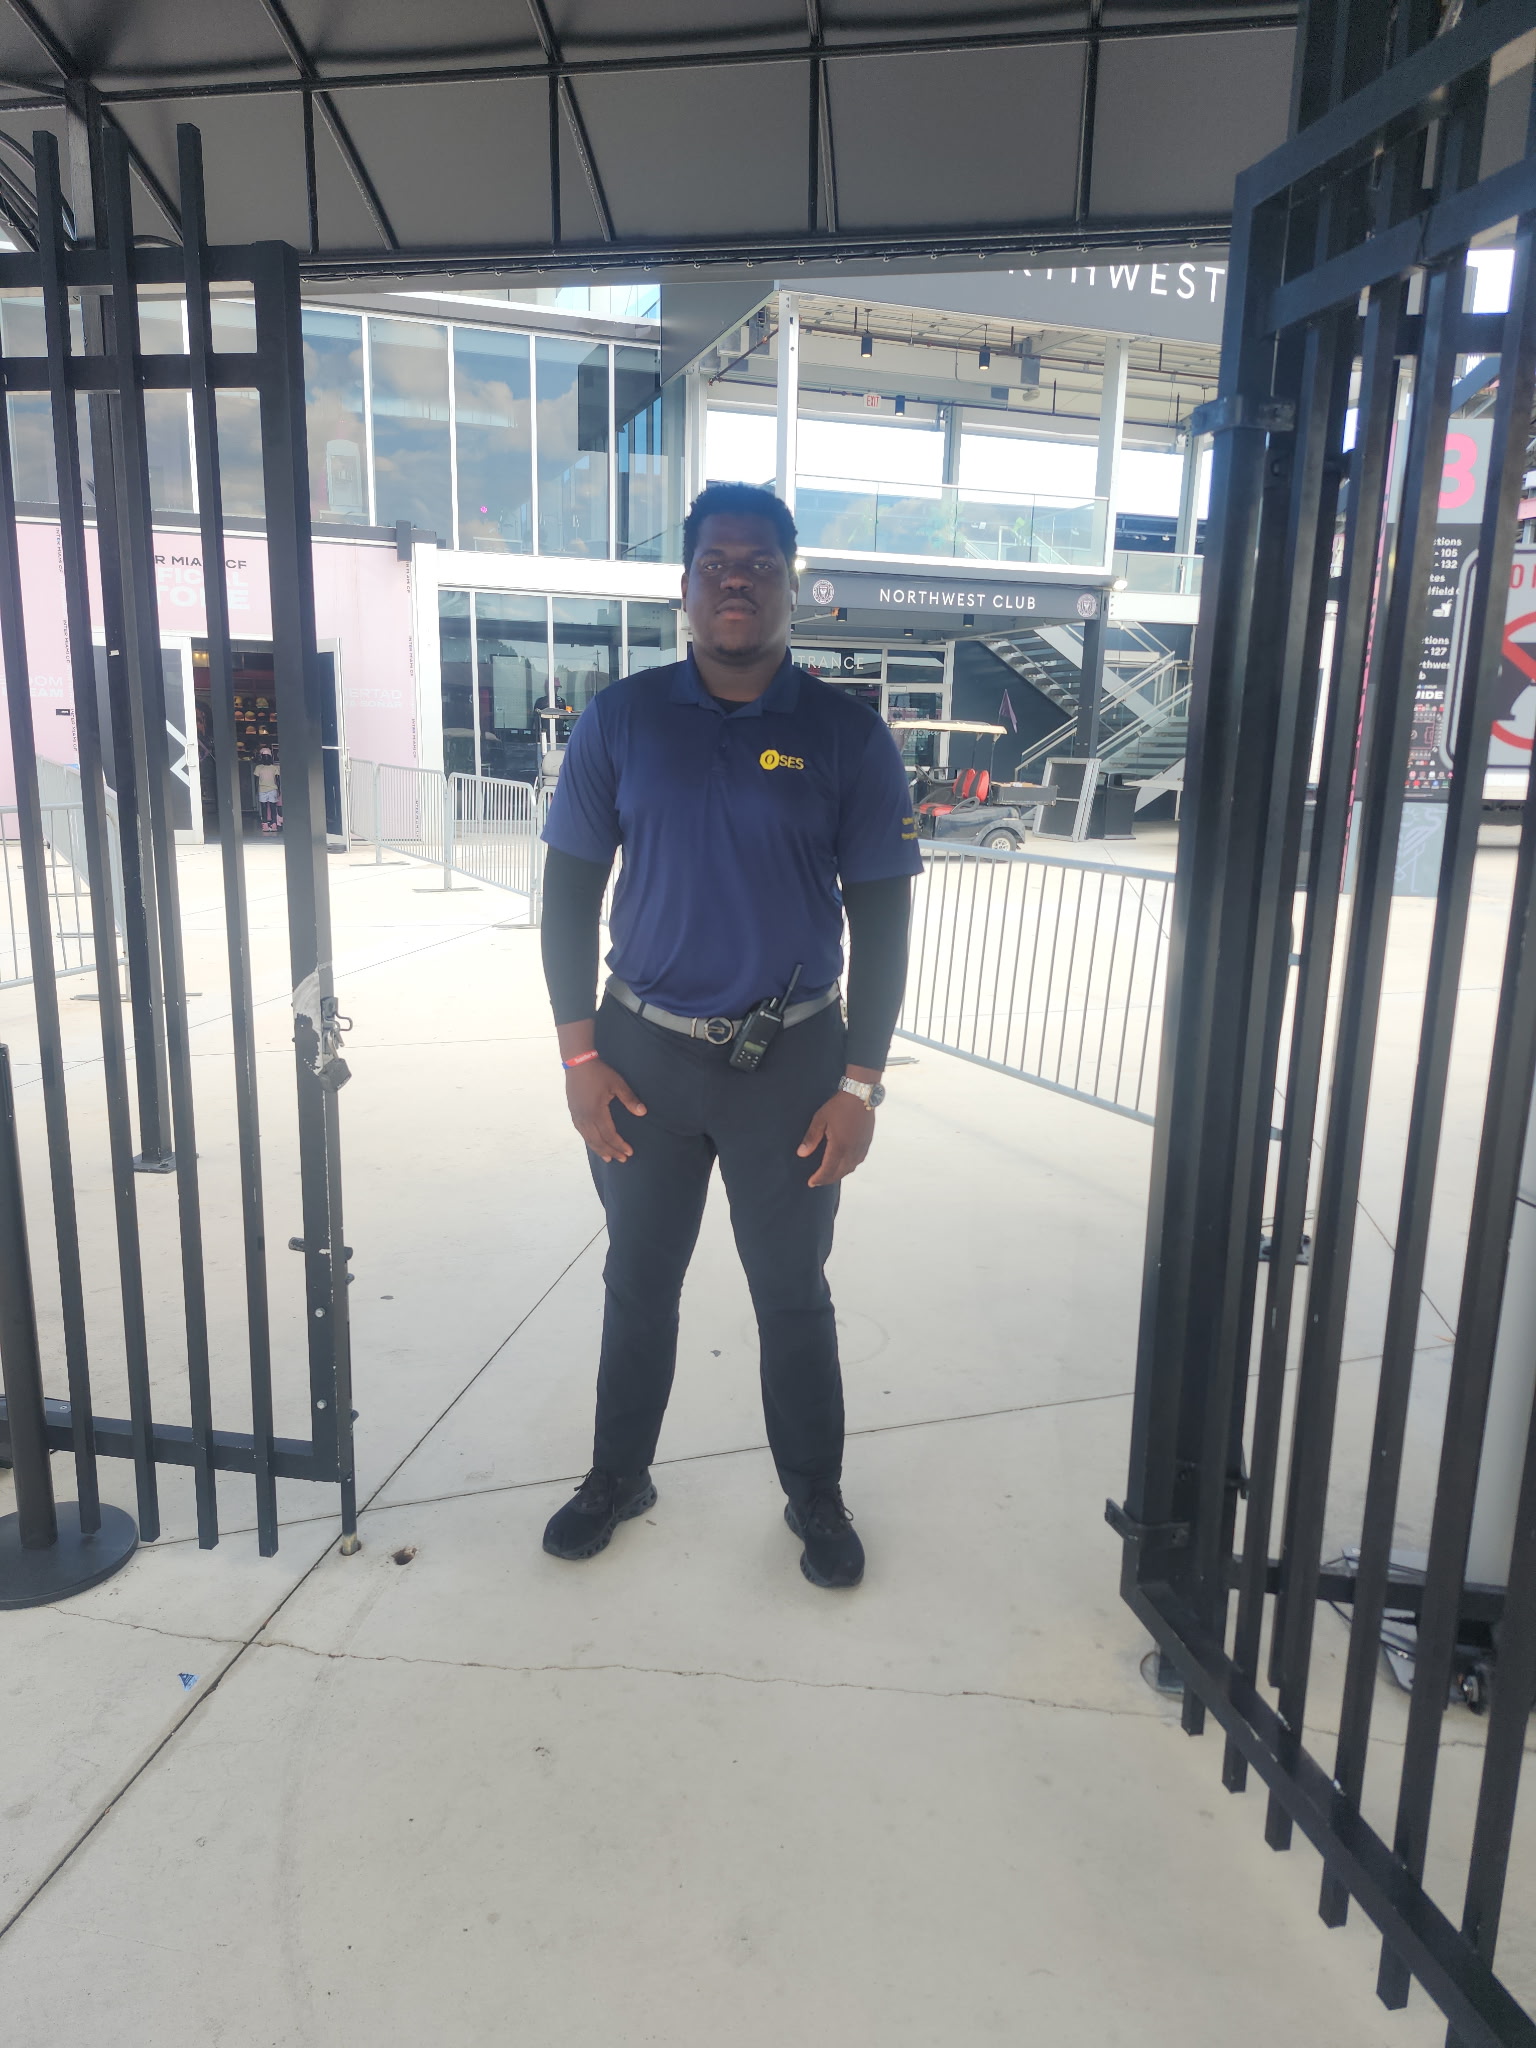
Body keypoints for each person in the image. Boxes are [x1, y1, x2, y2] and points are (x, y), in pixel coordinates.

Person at [538, 482, 921, 1589]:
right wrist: (578, 1056)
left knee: (792, 1292)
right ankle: (618, 1475)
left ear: (793, 583)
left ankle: (815, 1493)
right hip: (640, 1059)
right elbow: (568, 897)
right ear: (687, 585)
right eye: (716, 563)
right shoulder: (623, 719)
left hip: (790, 1066)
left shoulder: (848, 736)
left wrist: (861, 1083)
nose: (736, 580)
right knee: (637, 1282)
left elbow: (884, 917)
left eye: (758, 563)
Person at [253, 748, 281, 835]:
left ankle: (274, 824)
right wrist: (256, 789)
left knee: (272, 807)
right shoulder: (258, 768)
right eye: (263, 756)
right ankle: (265, 824)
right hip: (262, 789)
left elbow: (278, 780)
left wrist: (278, 790)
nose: (265, 758)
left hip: (272, 789)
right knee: (264, 807)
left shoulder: (274, 768)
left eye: (267, 756)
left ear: (270, 757)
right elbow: (256, 780)